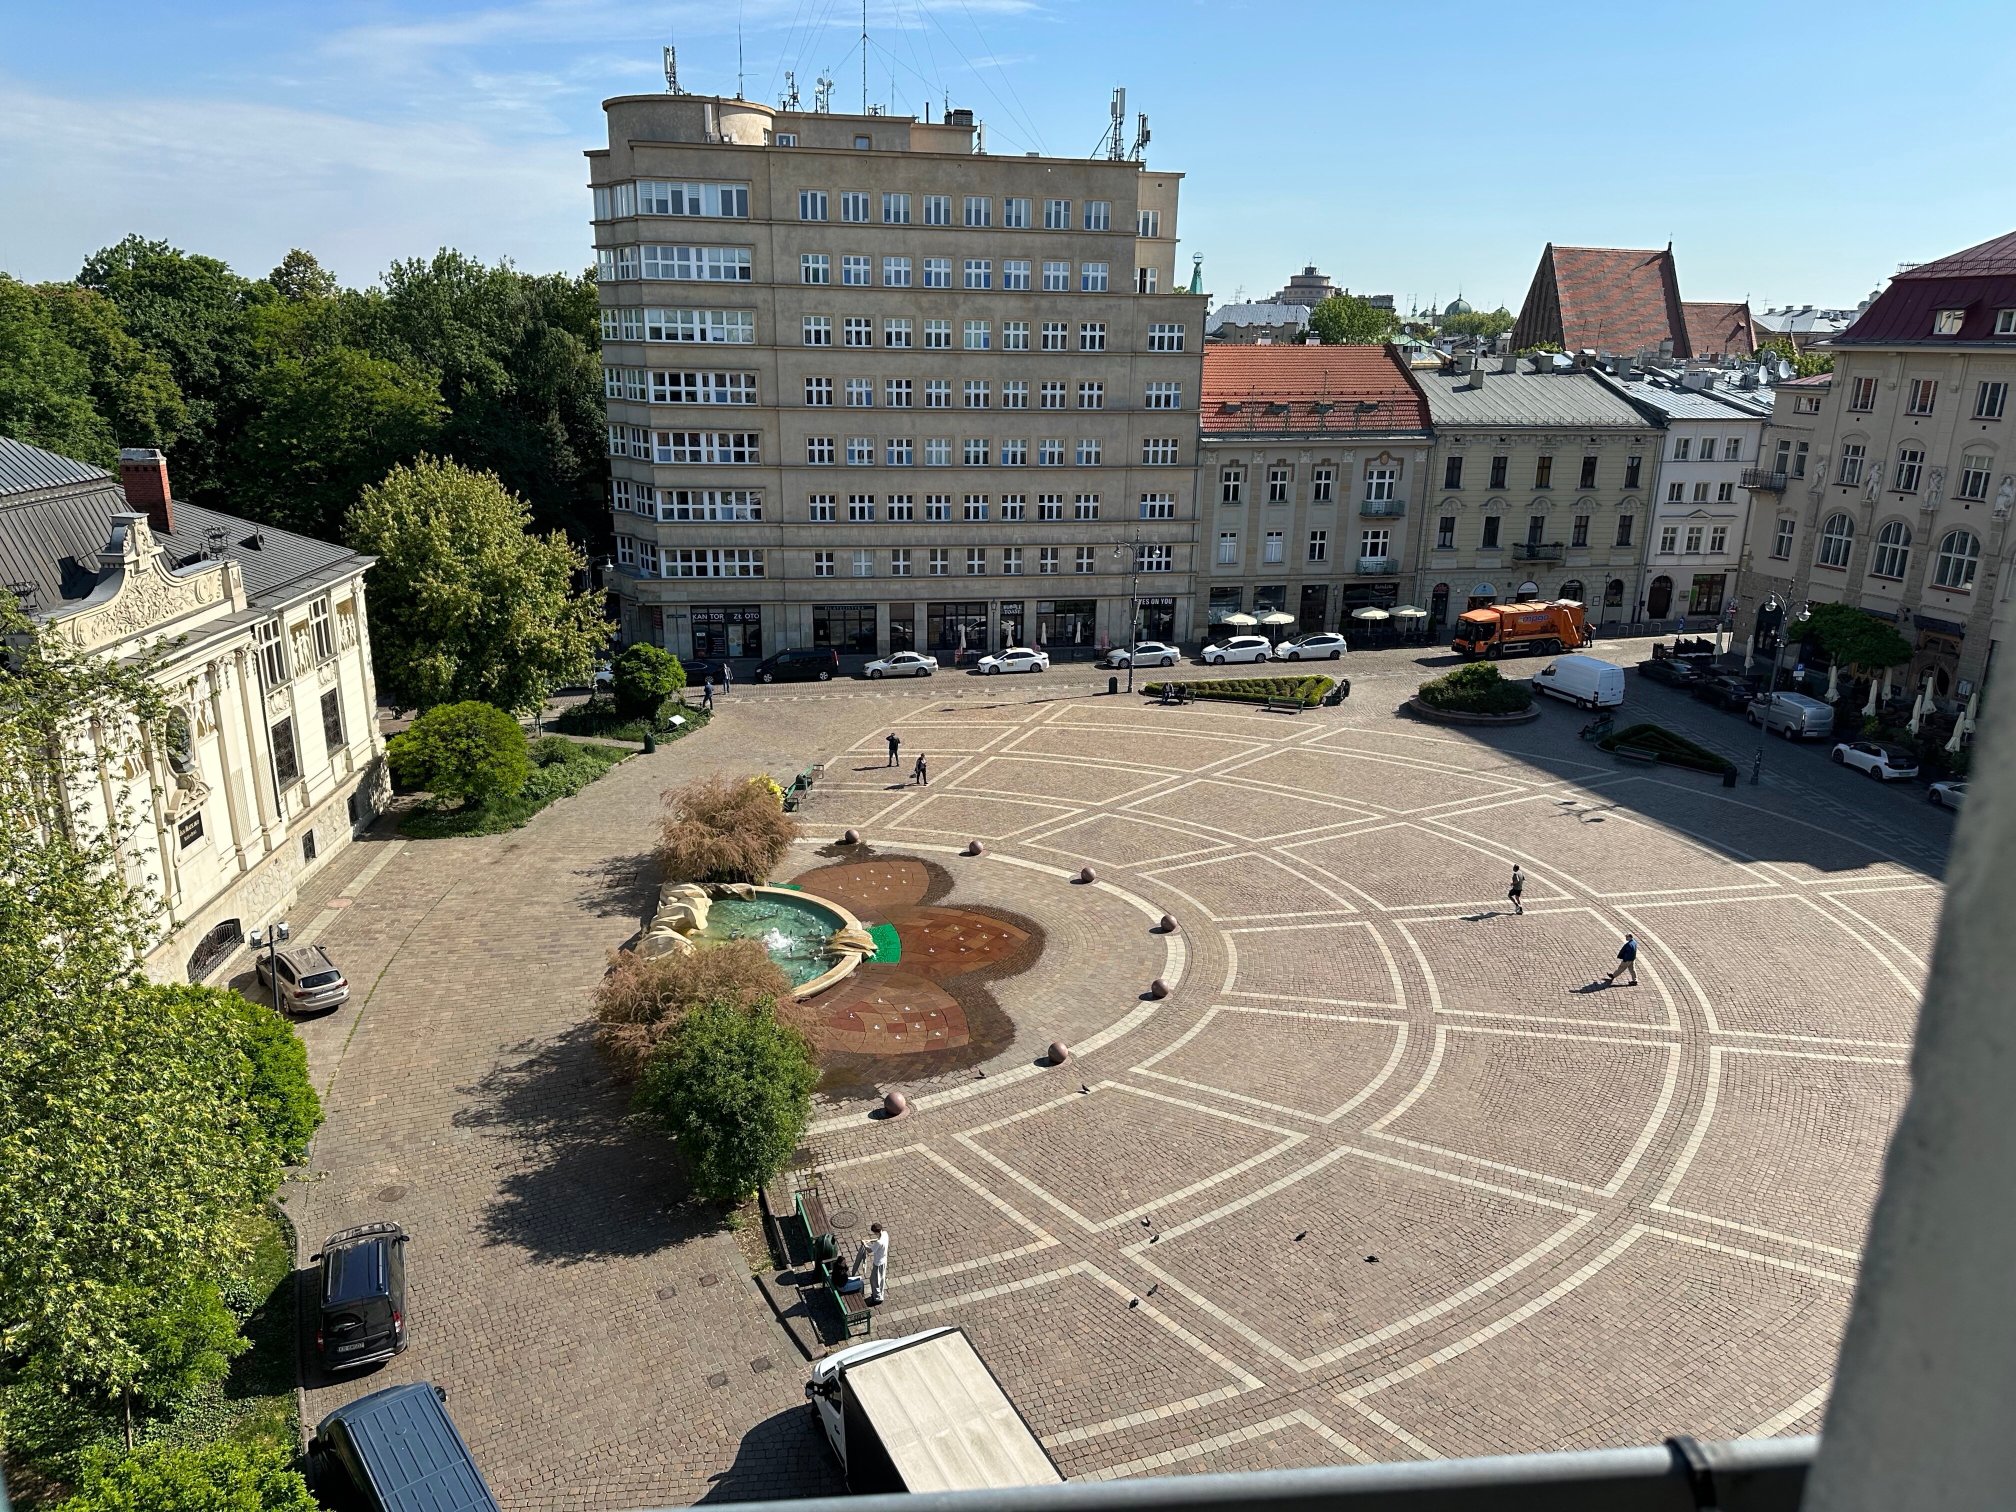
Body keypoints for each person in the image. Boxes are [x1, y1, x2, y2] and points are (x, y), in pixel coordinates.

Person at [854, 1222, 890, 1305]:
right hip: (884, 1261)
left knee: (874, 1280)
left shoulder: (879, 1243)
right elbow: (877, 1239)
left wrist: (864, 1244)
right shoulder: (885, 1234)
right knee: (881, 1278)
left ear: (876, 1232)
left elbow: (870, 1250)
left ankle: (877, 1298)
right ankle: (879, 1294)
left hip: (878, 1263)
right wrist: (870, 1240)